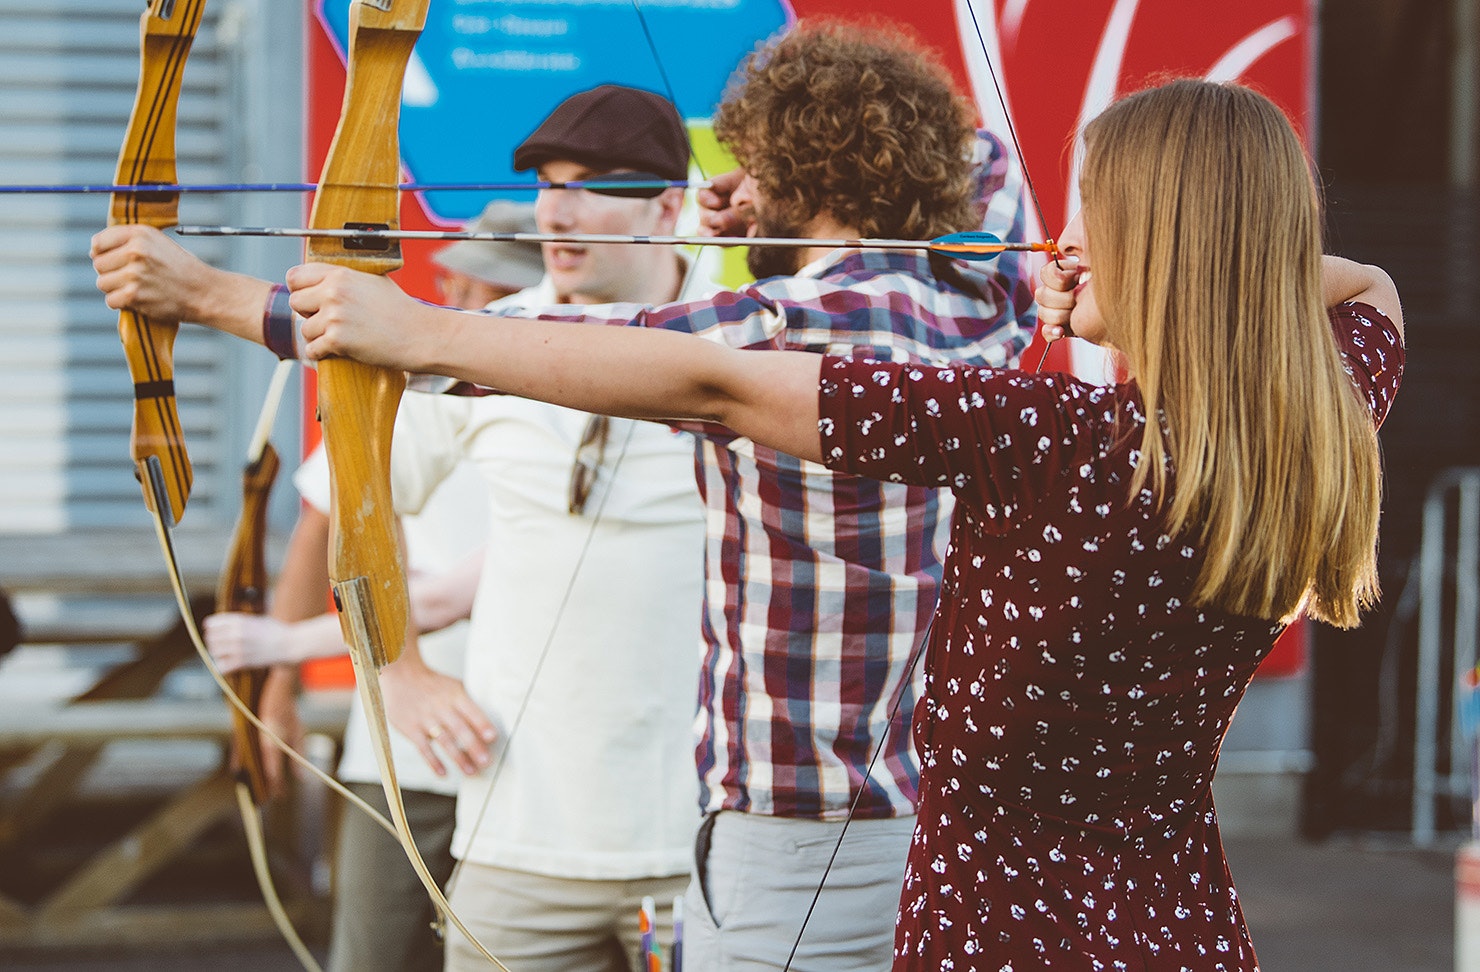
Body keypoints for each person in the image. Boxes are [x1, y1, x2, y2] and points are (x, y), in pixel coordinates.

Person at [286, 78, 1403, 970]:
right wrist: (1210, 270)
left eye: (1092, 222)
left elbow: (708, 383)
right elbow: (1369, 290)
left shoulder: (1053, 435)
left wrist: (419, 334)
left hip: (999, 939)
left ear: (1156, 248)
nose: (1060, 242)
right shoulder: (1320, 419)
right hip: (1178, 925)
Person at [124, 22, 1038, 969]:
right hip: (928, 818)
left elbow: (485, 348)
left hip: (786, 835)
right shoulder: (982, 300)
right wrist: (794, 189)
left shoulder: (764, 332)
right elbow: (989, 166)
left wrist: (199, 295)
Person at [94, 86, 710, 972]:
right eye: (547, 182)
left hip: (690, 839)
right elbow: (358, 500)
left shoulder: (742, 338)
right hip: (515, 837)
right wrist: (399, 674)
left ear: (667, 205)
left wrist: (200, 287)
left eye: (596, 184)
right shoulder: (488, 333)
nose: (559, 208)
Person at [203, 202, 544, 972]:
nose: (520, 314)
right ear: (452, 284)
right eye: (496, 293)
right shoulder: (402, 388)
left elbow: (455, 589)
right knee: (376, 954)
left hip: (536, 749)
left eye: (530, 294)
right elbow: (320, 531)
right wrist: (278, 688)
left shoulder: (590, 381)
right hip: (408, 739)